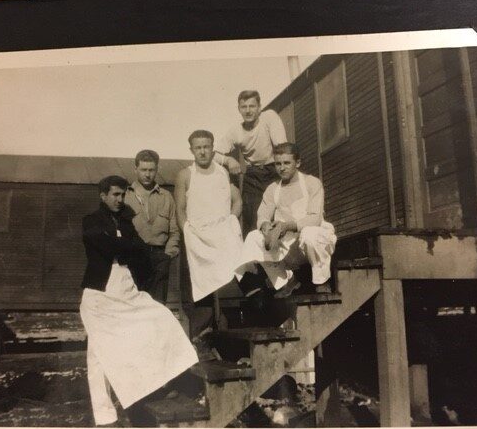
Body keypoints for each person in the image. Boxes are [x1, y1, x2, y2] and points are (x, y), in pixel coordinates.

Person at [79, 175, 198, 427]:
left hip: (126, 288)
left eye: (122, 195)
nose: (120, 200)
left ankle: (166, 382)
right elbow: (108, 246)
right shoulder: (91, 220)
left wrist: (128, 245)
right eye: (115, 195)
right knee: (98, 355)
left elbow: (139, 249)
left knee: (161, 317)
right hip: (100, 294)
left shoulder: (126, 220)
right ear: (103, 196)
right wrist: (128, 245)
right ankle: (105, 416)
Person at [175, 130, 264, 336]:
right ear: (191, 150)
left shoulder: (222, 172)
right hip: (198, 236)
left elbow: (238, 200)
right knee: (200, 284)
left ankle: (258, 306)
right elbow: (180, 208)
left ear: (213, 148)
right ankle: (201, 336)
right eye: (198, 148)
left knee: (241, 266)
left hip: (222, 232)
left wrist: (232, 220)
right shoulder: (185, 175)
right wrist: (187, 232)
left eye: (206, 147)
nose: (203, 152)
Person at [237, 142, 337, 298]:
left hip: (312, 243)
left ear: (297, 163)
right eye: (278, 163)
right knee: (254, 237)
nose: (282, 168)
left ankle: (321, 282)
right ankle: (286, 281)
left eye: (286, 163)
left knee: (311, 234)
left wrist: (287, 226)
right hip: (288, 245)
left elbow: (315, 218)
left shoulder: (312, 183)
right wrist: (266, 227)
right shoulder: (273, 189)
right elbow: (262, 215)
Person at [213, 90, 287, 234]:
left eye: (252, 106)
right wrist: (228, 160)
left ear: (259, 108)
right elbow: (214, 154)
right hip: (253, 175)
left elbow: (281, 147)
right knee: (252, 218)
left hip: (274, 169)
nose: (248, 111)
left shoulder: (270, 117)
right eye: (244, 107)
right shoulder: (236, 130)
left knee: (280, 211)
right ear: (239, 109)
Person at [124, 149, 180, 304]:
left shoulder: (166, 197)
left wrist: (168, 254)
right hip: (133, 257)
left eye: (151, 170)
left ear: (157, 170)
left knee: (157, 306)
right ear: (135, 169)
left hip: (159, 257)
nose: (147, 174)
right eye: (143, 170)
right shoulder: (125, 196)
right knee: (133, 304)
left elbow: (174, 230)